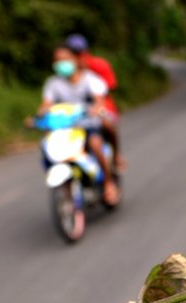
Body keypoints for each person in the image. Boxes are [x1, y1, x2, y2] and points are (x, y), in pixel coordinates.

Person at [38, 46, 119, 205]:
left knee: (95, 143)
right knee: (47, 146)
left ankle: (109, 184)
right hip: (65, 130)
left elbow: (99, 100)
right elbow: (46, 104)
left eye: (65, 59)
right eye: (58, 60)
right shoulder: (53, 84)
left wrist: (96, 108)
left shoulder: (90, 79)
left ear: (75, 60)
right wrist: (41, 114)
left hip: (87, 126)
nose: (61, 63)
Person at [65, 34, 125, 172]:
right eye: (73, 52)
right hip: (76, 110)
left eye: (79, 52)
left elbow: (110, 87)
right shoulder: (67, 71)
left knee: (107, 124)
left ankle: (116, 156)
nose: (78, 55)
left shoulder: (99, 65)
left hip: (102, 106)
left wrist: (96, 101)